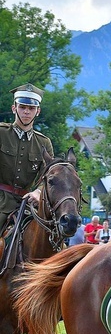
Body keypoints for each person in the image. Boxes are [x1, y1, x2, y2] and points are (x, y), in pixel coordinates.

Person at [0, 84, 53, 233]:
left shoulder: (44, 142)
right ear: (14, 108)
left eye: (31, 108)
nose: (26, 112)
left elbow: (49, 176)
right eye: (22, 107)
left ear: (38, 111)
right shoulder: (1, 133)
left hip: (27, 205)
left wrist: (38, 192)